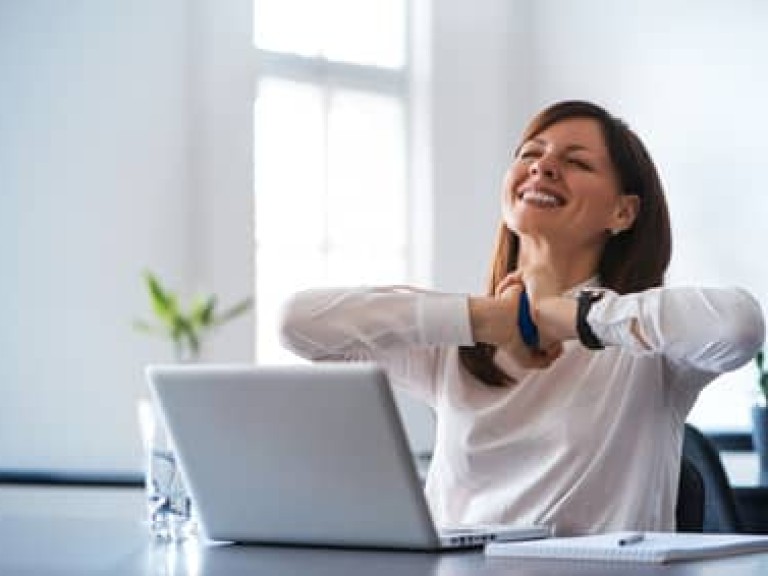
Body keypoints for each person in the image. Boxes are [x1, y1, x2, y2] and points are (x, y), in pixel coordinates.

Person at [279, 100, 765, 536]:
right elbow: (298, 325)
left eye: (575, 162)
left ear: (622, 212)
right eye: (530, 153)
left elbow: (737, 326)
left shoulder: (648, 353)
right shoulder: (457, 338)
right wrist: (482, 319)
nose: (544, 166)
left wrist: (565, 317)